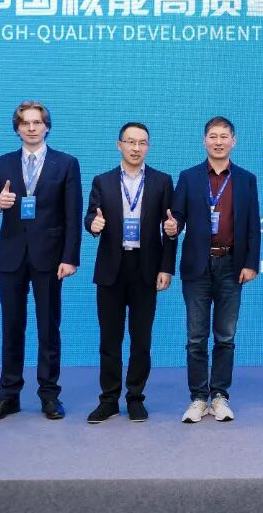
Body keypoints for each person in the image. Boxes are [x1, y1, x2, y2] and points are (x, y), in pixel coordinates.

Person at [0, 101, 82, 422]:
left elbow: (73, 215)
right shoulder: (2, 164)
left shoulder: (66, 163)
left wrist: (70, 257)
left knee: (48, 327)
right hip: (11, 257)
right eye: (25, 123)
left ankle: (49, 395)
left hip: (50, 258)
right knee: (11, 326)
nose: (31, 128)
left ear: (47, 126)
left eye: (37, 122)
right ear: (17, 128)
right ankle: (8, 396)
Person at [169, 116, 260, 423]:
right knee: (196, 337)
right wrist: (171, 228)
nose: (218, 142)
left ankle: (219, 395)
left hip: (231, 265)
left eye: (224, 136)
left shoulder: (246, 179)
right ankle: (198, 397)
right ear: (204, 141)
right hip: (197, 265)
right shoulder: (189, 177)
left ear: (234, 141)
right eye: (213, 136)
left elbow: (252, 226)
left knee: (225, 336)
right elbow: (176, 219)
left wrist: (251, 263)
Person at [84, 122, 175, 423]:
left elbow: (171, 228)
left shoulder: (162, 181)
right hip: (111, 267)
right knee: (109, 340)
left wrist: (166, 267)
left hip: (146, 268)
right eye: (130, 142)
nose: (136, 148)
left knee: (141, 339)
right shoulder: (103, 181)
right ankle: (109, 399)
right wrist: (92, 224)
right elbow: (91, 215)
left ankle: (135, 398)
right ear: (119, 145)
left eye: (142, 143)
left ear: (148, 147)